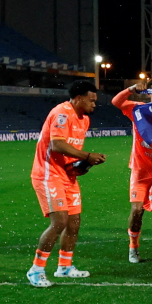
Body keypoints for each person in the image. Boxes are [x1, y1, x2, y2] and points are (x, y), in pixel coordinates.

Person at [27, 80, 107, 286]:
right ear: (78, 98)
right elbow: (57, 145)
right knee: (59, 222)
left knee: (74, 223)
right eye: (91, 100)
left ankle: (64, 266)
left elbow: (70, 154)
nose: (94, 104)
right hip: (48, 173)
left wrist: (82, 165)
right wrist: (87, 155)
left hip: (66, 175)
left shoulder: (84, 120)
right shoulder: (62, 112)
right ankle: (36, 270)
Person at [112, 78, 152, 263]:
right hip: (141, 171)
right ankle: (133, 248)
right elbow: (116, 102)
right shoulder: (138, 109)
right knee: (137, 210)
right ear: (149, 94)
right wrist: (131, 89)